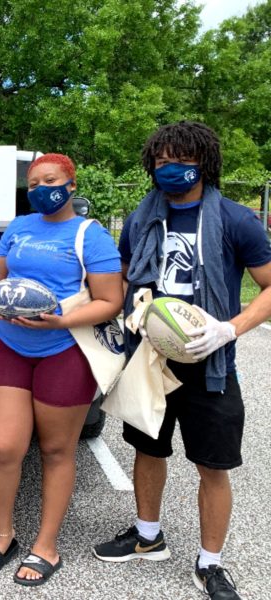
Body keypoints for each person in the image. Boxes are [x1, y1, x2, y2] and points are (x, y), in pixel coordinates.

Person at [93, 122, 271, 600]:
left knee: (213, 465)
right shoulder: (139, 218)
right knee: (148, 450)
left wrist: (229, 328)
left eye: (182, 158)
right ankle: (147, 535)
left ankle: (211, 564)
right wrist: (131, 309)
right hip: (150, 361)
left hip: (211, 364)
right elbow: (128, 272)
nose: (170, 168)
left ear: (204, 162)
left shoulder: (236, 219)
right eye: (162, 159)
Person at [0, 153, 123, 586]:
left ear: (71, 185)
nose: (41, 188)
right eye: (34, 183)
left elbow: (109, 301)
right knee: (3, 446)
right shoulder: (18, 228)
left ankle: (46, 546)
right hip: (12, 348)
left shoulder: (88, 234)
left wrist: (59, 320)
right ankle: (4, 535)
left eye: (50, 180)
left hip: (65, 349)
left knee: (56, 450)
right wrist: (3, 300)